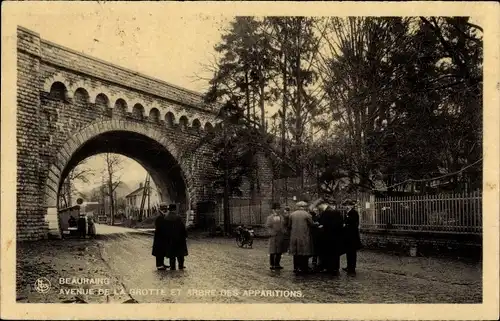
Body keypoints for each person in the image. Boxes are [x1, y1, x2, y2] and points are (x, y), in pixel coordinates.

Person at [317, 199, 345, 275]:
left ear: (323, 204)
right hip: (336, 237)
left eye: (319, 206)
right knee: (335, 253)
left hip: (327, 237)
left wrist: (321, 227)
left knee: (327, 252)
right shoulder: (337, 212)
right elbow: (341, 224)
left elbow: (322, 224)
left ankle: (328, 267)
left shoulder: (326, 213)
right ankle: (335, 268)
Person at [288, 200, 315, 274]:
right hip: (304, 236)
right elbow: (312, 224)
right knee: (304, 252)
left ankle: (296, 267)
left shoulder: (292, 214)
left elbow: (289, 225)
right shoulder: (307, 215)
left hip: (294, 236)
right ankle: (304, 268)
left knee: (295, 252)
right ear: (304, 207)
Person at [164, 204, 188, 270]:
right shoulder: (178, 217)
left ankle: (172, 266)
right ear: (175, 209)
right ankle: (181, 265)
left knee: (172, 254)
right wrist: (185, 236)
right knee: (180, 253)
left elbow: (164, 229)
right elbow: (183, 228)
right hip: (179, 238)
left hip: (170, 239)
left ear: (169, 209)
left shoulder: (166, 217)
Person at [265, 202, 287, 270]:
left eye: (279, 209)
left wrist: (284, 231)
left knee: (279, 251)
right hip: (273, 236)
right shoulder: (270, 218)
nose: (278, 210)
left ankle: (277, 264)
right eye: (277, 209)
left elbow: (284, 225)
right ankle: (272, 264)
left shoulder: (281, 217)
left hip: (280, 236)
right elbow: (268, 226)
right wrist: (271, 233)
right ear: (273, 210)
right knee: (272, 251)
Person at [342, 199, 362, 275]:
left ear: (351, 205)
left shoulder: (353, 212)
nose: (346, 207)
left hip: (352, 236)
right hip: (348, 236)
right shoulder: (348, 212)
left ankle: (352, 268)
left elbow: (352, 223)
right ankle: (349, 266)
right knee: (348, 252)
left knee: (352, 253)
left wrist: (345, 225)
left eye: (347, 205)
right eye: (345, 205)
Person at [152, 203, 169, 270]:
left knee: (161, 250)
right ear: (162, 209)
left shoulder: (161, 215)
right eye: (165, 209)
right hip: (160, 236)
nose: (166, 210)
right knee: (159, 251)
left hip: (160, 236)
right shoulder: (160, 216)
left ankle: (162, 264)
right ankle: (159, 265)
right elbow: (160, 227)